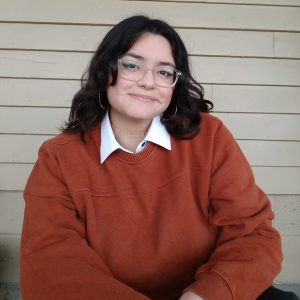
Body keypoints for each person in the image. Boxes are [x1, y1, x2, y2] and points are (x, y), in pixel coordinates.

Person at [20, 15, 299, 300]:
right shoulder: (58, 157)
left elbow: (252, 234)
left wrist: (205, 295)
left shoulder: (210, 137)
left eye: (164, 72)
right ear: (106, 71)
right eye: (131, 65)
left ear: (174, 85)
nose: (148, 82)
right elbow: (50, 263)